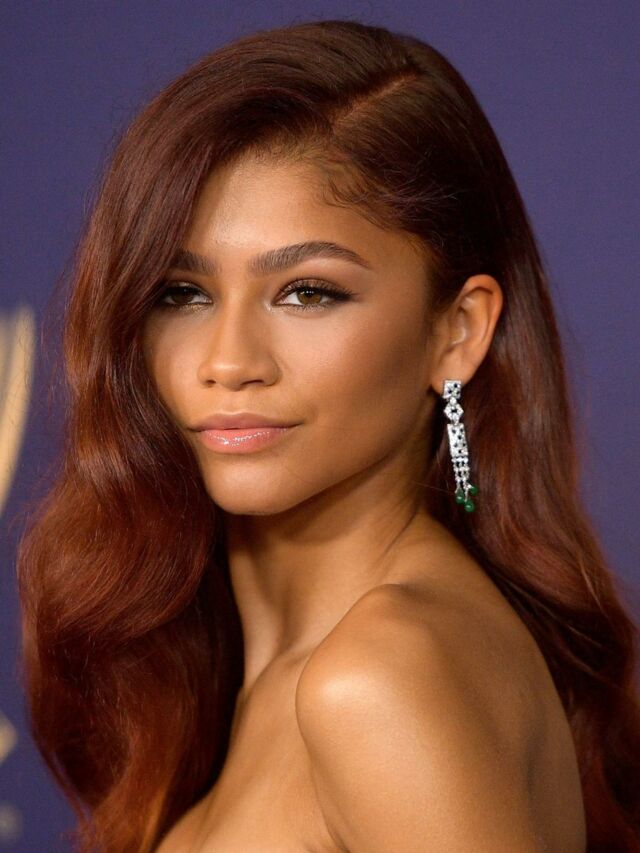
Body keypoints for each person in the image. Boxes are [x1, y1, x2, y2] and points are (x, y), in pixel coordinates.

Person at [15, 18, 640, 853]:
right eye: (181, 292)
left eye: (308, 292)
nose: (228, 361)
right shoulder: (250, 665)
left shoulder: (380, 677)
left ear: (457, 331)